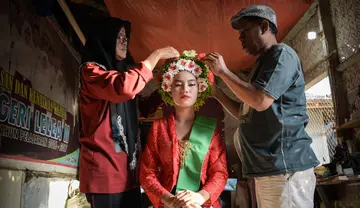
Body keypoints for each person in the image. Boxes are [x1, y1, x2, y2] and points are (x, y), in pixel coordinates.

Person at [204, 5, 319, 208]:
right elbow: (245, 112)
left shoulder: (282, 54)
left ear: (264, 26)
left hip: (285, 168)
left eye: (245, 31)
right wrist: (216, 93)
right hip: (269, 169)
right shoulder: (262, 64)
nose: (240, 38)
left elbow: (259, 100)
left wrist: (223, 72)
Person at [78, 17, 179, 208]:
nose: (125, 41)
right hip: (105, 176)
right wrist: (155, 55)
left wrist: (167, 85)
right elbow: (123, 89)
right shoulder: (91, 72)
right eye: (119, 37)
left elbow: (143, 108)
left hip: (129, 173)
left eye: (126, 37)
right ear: (105, 38)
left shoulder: (121, 75)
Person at [140, 50, 228, 208]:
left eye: (191, 84)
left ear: (200, 88)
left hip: (202, 203)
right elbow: (147, 173)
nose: (185, 89)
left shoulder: (210, 129)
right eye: (178, 84)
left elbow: (219, 173)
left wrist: (199, 198)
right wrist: (169, 200)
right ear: (168, 88)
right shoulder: (158, 127)